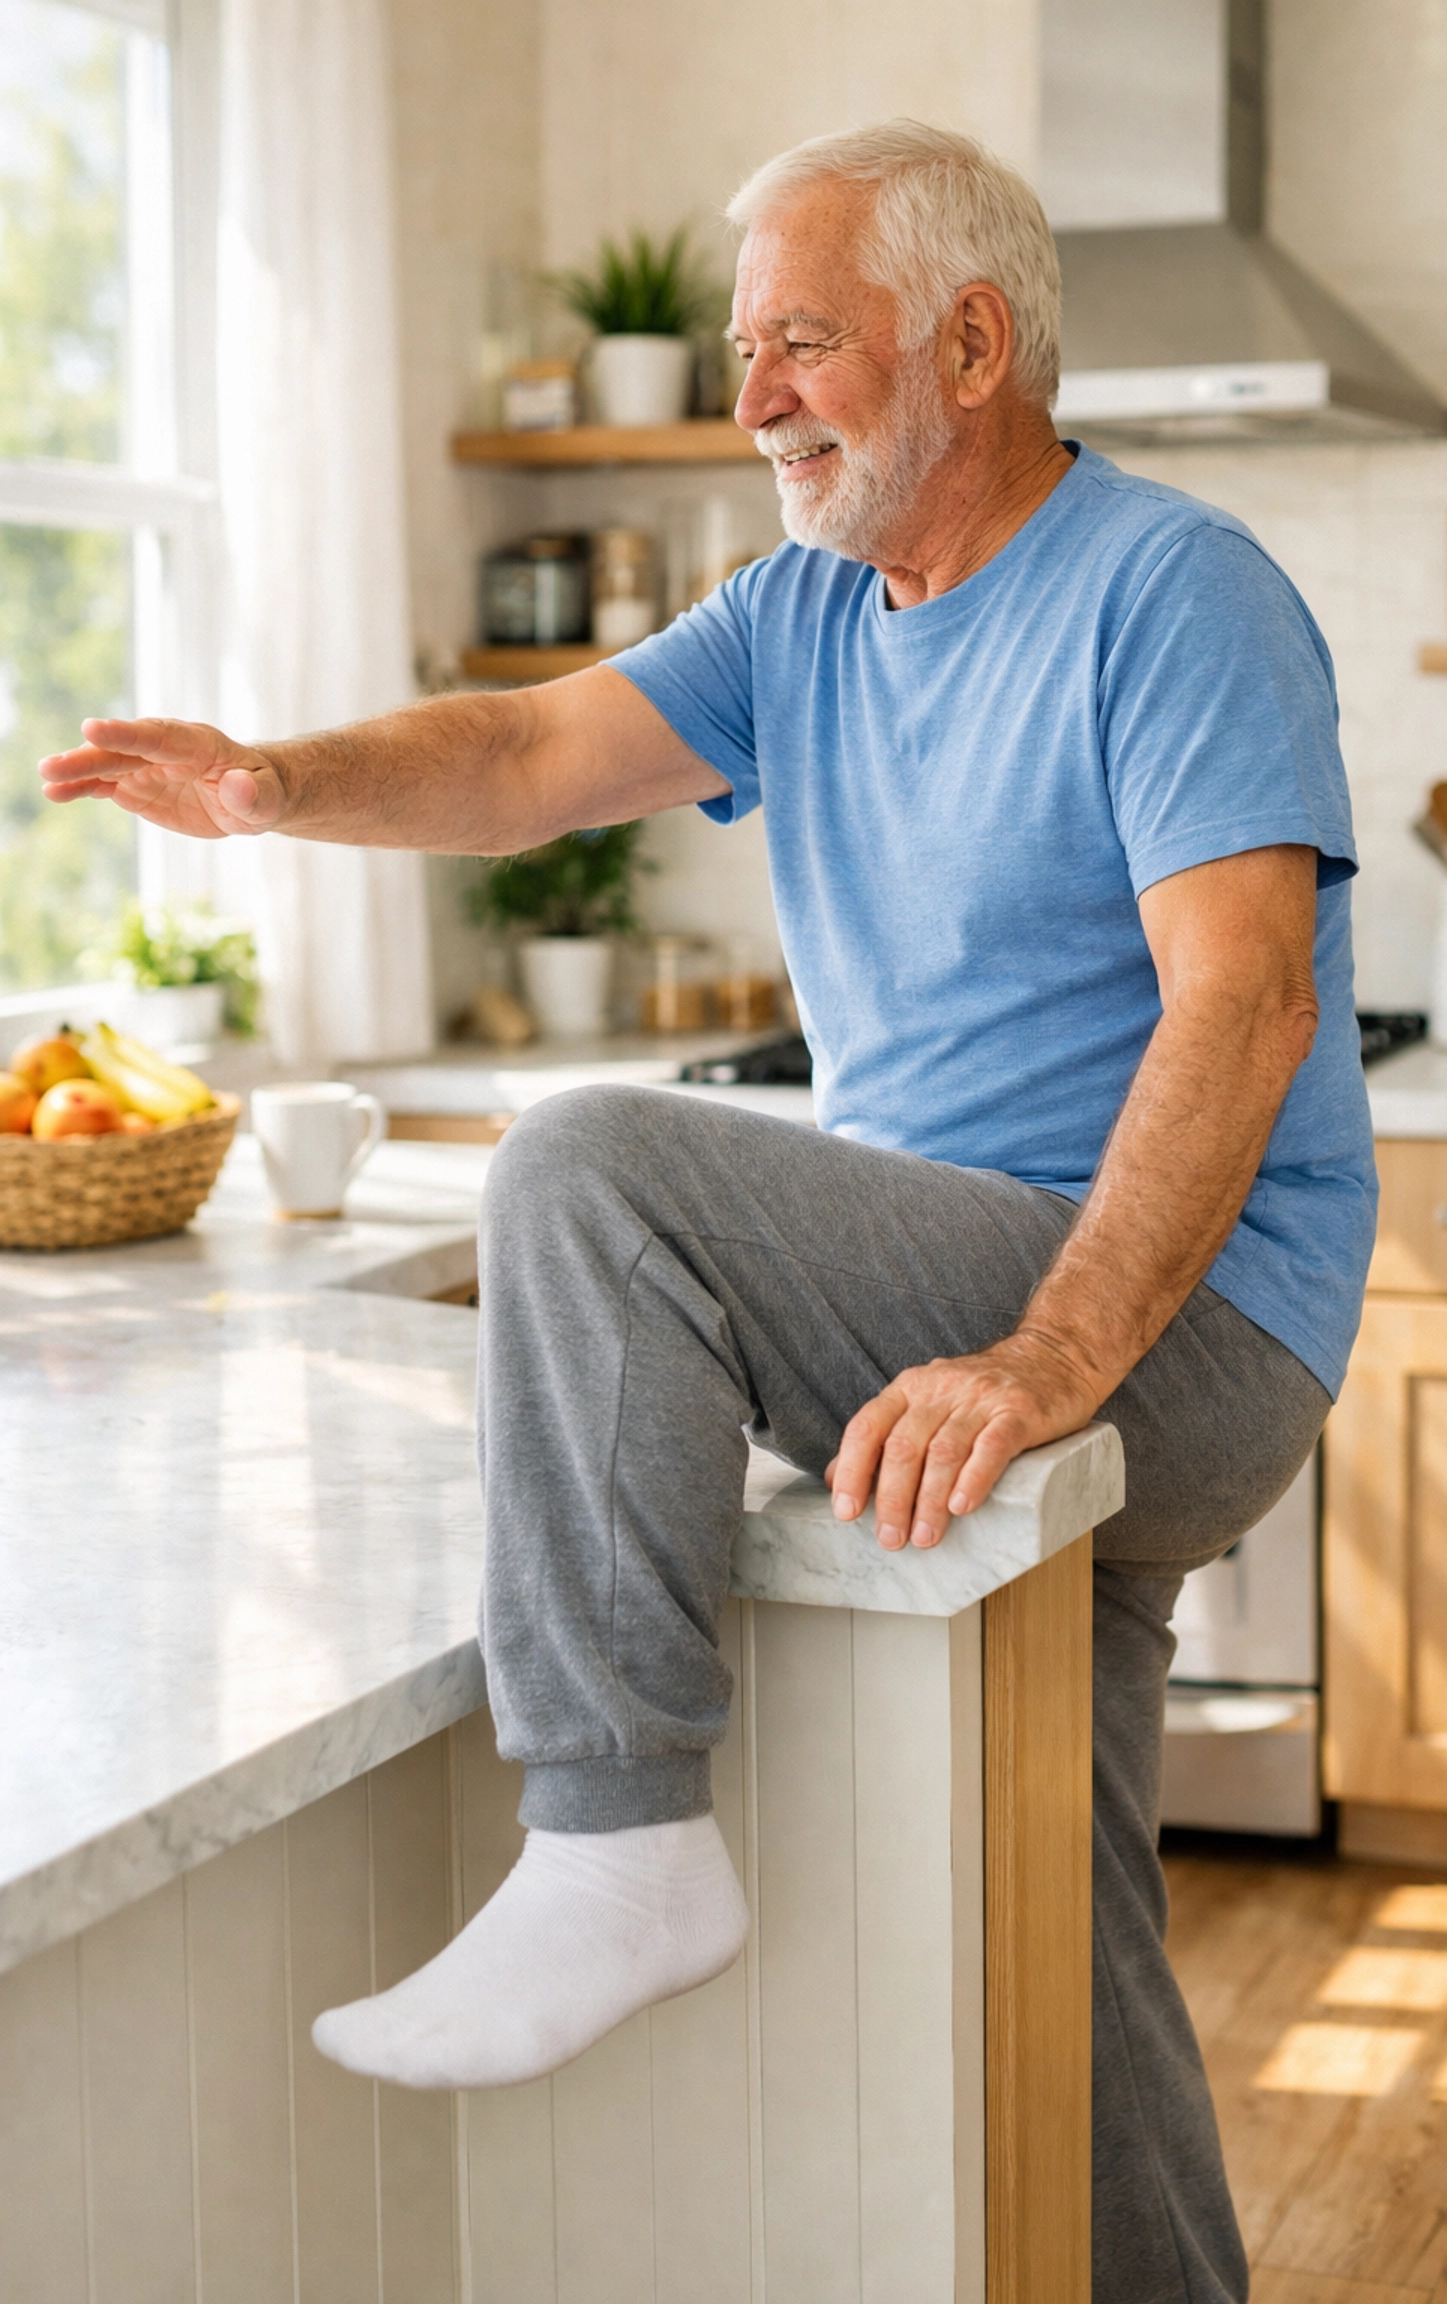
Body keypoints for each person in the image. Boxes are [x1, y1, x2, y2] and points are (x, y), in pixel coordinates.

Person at [41, 122, 1375, 2304]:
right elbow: (515, 759)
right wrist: (279, 785)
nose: (752, 391)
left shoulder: (1175, 589)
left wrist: (1047, 1357)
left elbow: (1244, 1005)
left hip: (1180, 1317)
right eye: (747, 343)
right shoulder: (805, 614)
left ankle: (619, 1835)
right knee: (1056, 1922)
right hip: (969, 1277)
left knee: (592, 1158)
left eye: (802, 343)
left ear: (967, 342)